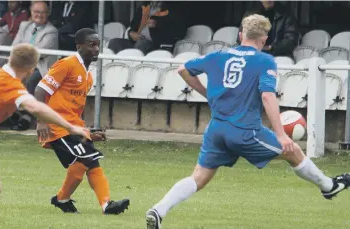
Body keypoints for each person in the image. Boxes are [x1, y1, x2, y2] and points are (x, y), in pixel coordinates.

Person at [145, 14, 350, 229]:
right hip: (245, 131)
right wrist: (281, 134)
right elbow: (267, 96)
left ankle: (158, 210)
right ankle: (329, 187)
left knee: (198, 177)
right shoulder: (264, 60)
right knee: (293, 151)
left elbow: (183, 69)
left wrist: (207, 93)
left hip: (216, 130)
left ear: (241, 35)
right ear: (264, 39)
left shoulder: (217, 57)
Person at [34, 28, 130, 214]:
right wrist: (42, 120)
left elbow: (74, 109)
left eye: (98, 45)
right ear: (79, 46)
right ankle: (65, 199)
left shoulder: (88, 75)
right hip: (57, 125)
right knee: (85, 159)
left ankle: (104, 204)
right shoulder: (67, 64)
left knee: (91, 161)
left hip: (72, 127)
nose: (96, 49)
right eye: (91, 45)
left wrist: (87, 132)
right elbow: (40, 91)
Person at [0, 43, 90, 196]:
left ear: (10, 58)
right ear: (32, 69)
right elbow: (37, 108)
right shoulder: (10, 85)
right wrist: (71, 127)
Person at [10, 0, 59, 131]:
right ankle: (11, 112)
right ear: (31, 12)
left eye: (43, 12)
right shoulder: (24, 26)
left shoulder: (52, 31)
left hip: (41, 68)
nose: (39, 15)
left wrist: (22, 52)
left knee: (32, 81)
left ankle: (26, 117)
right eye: (37, 12)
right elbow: (14, 46)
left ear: (48, 14)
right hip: (23, 64)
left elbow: (39, 53)